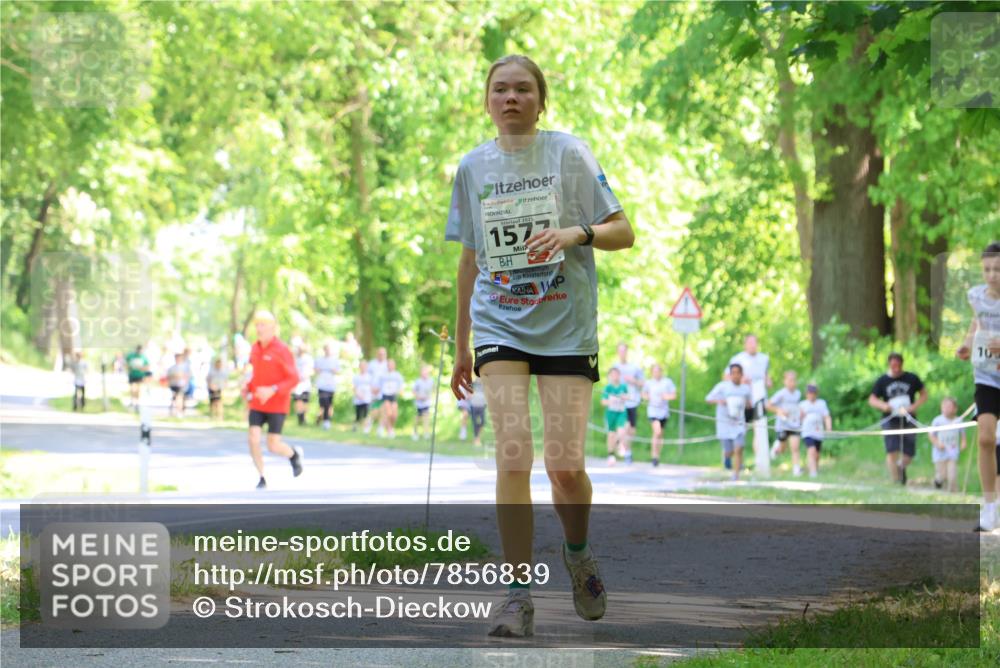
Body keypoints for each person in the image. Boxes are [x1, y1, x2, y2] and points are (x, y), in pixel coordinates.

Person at [446, 54, 634, 637]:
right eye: (500, 89)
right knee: (512, 453)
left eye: (522, 89)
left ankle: (577, 555)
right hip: (500, 324)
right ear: (486, 100)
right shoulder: (472, 167)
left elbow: (623, 232)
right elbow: (470, 260)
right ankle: (517, 595)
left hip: (565, 326)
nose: (510, 98)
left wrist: (577, 232)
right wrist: (461, 346)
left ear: (540, 100)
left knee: (564, 465)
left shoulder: (568, 154)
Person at [956, 241, 1000, 530]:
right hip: (987, 376)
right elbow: (978, 323)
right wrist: (967, 344)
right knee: (985, 437)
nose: (992, 274)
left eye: (997, 269)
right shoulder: (976, 296)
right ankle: (990, 507)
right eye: (987, 269)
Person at [243, 310, 303, 489]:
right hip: (257, 403)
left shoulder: (282, 350)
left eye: (263, 325)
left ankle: (293, 455)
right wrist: (247, 388)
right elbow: (253, 374)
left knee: (273, 445)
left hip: (277, 404)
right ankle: (262, 476)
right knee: (253, 437)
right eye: (257, 325)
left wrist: (273, 389)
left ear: (273, 328)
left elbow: (294, 379)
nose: (259, 329)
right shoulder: (254, 348)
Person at [868, 352, 928, 485]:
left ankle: (901, 468)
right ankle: (896, 481)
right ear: (889, 365)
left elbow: (924, 394)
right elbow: (872, 399)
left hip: (908, 419)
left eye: (898, 365)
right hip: (890, 419)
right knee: (892, 450)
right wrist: (883, 406)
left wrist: (914, 406)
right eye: (893, 365)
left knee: (909, 452)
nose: (896, 368)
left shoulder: (912, 378)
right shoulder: (882, 380)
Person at [706, 363, 752, 480]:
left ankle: (735, 475)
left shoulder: (745, 389)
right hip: (724, 423)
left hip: (739, 423)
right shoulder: (722, 387)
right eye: (733, 373)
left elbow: (749, 404)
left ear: (742, 375)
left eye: (738, 373)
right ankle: (727, 457)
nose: (736, 376)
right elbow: (708, 398)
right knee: (729, 451)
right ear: (730, 375)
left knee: (739, 448)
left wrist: (747, 406)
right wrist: (720, 401)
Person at [611, 343, 644, 465]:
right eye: (620, 351)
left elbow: (642, 383)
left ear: (627, 352)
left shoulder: (634, 367)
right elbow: (611, 384)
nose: (622, 353)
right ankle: (625, 452)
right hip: (620, 403)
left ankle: (625, 448)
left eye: (624, 351)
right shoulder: (615, 367)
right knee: (623, 428)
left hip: (632, 402)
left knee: (631, 430)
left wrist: (633, 381)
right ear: (617, 352)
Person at [767, 370, 803, 476]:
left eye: (794, 380)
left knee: (795, 447)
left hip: (794, 424)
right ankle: (776, 447)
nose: (792, 383)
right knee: (783, 448)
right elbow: (768, 405)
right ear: (785, 381)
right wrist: (779, 411)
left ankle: (796, 469)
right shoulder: (781, 393)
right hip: (783, 425)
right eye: (790, 380)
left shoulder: (798, 394)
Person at [641, 364, 676, 466]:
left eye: (658, 371)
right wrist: (647, 397)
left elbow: (673, 395)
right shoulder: (649, 382)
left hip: (663, 412)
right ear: (652, 372)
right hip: (653, 411)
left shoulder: (667, 382)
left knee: (660, 434)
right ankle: (654, 456)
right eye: (654, 371)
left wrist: (666, 396)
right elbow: (643, 394)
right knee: (657, 431)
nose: (656, 373)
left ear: (661, 372)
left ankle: (657, 456)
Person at [930, 397, 967, 493]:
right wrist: (937, 443)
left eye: (949, 406)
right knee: (942, 475)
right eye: (944, 406)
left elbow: (962, 434)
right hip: (939, 453)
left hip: (952, 451)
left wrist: (963, 442)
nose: (946, 408)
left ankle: (953, 493)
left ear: (955, 409)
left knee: (952, 475)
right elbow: (931, 435)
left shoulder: (958, 420)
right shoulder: (937, 420)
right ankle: (937, 482)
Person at [798, 383, 832, 478]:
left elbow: (826, 417)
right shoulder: (802, 404)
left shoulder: (821, 403)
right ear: (806, 394)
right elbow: (798, 419)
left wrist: (829, 428)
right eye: (809, 393)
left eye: (813, 393)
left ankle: (814, 468)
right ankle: (813, 473)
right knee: (811, 450)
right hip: (807, 432)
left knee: (816, 454)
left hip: (818, 432)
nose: (811, 395)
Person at [601, 366, 629, 466]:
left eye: (616, 374)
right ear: (610, 376)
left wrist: (624, 397)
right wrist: (611, 400)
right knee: (611, 434)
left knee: (621, 431)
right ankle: (610, 454)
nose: (615, 376)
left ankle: (619, 444)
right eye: (613, 374)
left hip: (621, 413)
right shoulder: (608, 388)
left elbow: (628, 397)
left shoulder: (623, 387)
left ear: (619, 375)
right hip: (611, 414)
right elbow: (603, 402)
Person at [314, 343, 340, 430]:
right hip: (321, 384)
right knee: (323, 403)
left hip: (331, 385)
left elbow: (338, 371)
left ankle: (327, 420)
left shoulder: (335, 360)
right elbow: (315, 369)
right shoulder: (319, 359)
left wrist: (333, 370)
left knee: (329, 404)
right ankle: (322, 418)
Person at [378, 359, 405, 439]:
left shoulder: (397, 375)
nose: (390, 366)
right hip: (385, 396)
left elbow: (401, 387)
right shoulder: (383, 375)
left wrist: (399, 392)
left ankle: (383, 426)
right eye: (389, 364)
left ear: (394, 366)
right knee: (388, 412)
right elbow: (379, 386)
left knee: (394, 415)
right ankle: (389, 430)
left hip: (393, 396)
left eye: (391, 364)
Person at [368, 347, 389, 437]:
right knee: (373, 410)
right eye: (380, 354)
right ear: (377, 354)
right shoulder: (372, 364)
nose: (381, 356)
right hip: (372, 390)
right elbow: (368, 377)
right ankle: (368, 426)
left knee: (383, 410)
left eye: (383, 354)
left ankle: (380, 429)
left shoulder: (387, 365)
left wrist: (380, 388)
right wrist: (371, 388)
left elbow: (388, 379)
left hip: (383, 391)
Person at [292, 345, 314, 427]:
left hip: (305, 383)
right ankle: (299, 418)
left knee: (305, 401)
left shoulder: (308, 359)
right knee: (298, 401)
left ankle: (304, 418)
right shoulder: (295, 359)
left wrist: (306, 375)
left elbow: (312, 370)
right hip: (297, 384)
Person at [412, 364, 434, 440]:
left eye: (426, 372)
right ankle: (415, 433)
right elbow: (414, 391)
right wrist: (418, 397)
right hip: (419, 403)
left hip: (426, 402)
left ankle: (426, 432)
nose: (425, 374)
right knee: (417, 418)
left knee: (426, 417)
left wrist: (429, 396)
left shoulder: (431, 380)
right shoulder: (418, 381)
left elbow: (433, 390)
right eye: (423, 372)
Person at [125, 344, 150, 410]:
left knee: (138, 389)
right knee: (132, 388)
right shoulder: (131, 356)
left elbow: (147, 366)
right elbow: (126, 363)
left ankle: (137, 403)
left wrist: (142, 368)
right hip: (132, 374)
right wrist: (129, 368)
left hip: (140, 375)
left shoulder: (143, 357)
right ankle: (132, 401)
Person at [353, 359, 374, 433]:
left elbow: (372, 387)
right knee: (358, 414)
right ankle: (355, 427)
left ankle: (366, 428)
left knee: (366, 414)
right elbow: (354, 388)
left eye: (364, 366)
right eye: (361, 366)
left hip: (367, 398)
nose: (363, 367)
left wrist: (372, 397)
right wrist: (358, 395)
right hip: (358, 398)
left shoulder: (370, 377)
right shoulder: (356, 376)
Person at [166, 353, 189, 418]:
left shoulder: (185, 367)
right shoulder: (172, 368)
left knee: (179, 397)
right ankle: (177, 411)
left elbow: (187, 376)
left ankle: (179, 411)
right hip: (174, 385)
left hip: (182, 385)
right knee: (176, 398)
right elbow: (168, 376)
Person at [467, 377, 488, 447]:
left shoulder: (485, 384)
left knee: (482, 422)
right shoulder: (472, 384)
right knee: (475, 423)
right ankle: (476, 439)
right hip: (474, 405)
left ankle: (478, 437)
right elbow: (468, 393)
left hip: (482, 406)